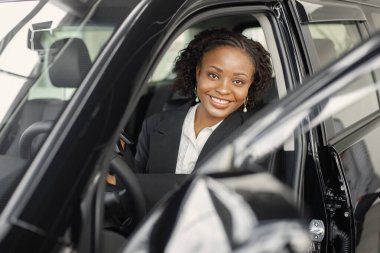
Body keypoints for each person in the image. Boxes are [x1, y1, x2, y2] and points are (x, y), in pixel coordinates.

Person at [134, 28, 272, 174]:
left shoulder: (255, 137)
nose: (223, 89)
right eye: (213, 75)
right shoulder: (153, 124)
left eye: (238, 81)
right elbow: (133, 186)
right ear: (198, 73)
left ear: (250, 86)